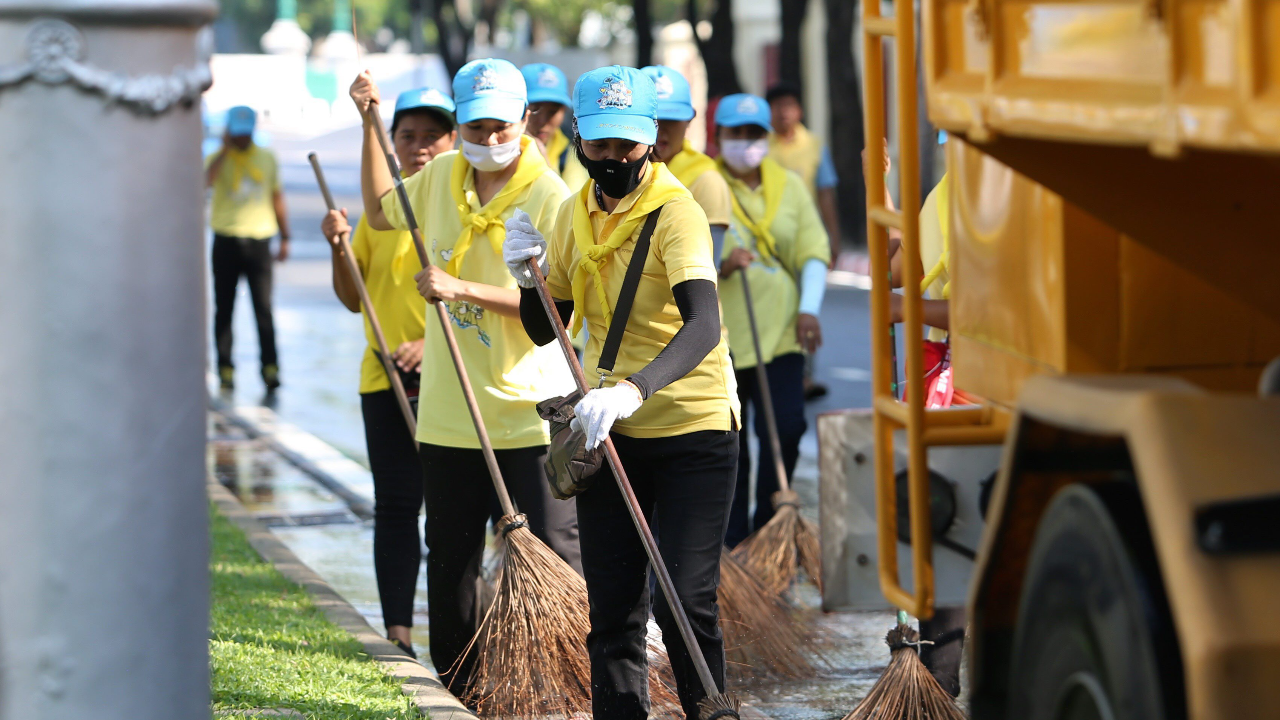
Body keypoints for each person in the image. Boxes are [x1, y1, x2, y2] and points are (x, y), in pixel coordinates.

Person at [504, 65, 741, 720]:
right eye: (600, 146)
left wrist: (634, 390)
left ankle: (711, 712)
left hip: (693, 429)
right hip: (610, 435)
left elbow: (704, 324)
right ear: (579, 139)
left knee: (686, 600)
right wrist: (527, 278)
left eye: (627, 145)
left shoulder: (678, 213)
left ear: (651, 141)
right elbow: (544, 329)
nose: (614, 159)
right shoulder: (570, 213)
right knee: (612, 609)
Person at [350, 58, 581, 694]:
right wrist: (369, 124)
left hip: (531, 413)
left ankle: (552, 689)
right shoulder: (443, 175)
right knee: (450, 564)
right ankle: (462, 692)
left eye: (500, 125)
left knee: (551, 565)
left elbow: (557, 308)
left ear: (526, 120)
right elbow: (377, 213)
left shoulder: (550, 196)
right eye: (474, 126)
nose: (488, 138)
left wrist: (461, 290)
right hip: (452, 417)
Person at [319, 87, 458, 659]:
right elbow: (354, 299)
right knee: (397, 507)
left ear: (453, 140)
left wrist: (431, 344)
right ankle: (398, 633)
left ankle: (464, 630)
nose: (421, 148)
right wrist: (339, 248)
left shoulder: (459, 206)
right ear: (392, 145)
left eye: (433, 136)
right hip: (384, 382)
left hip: (452, 383)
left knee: (454, 515)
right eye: (407, 137)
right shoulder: (382, 214)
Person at [712, 93, 830, 549]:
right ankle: (732, 539)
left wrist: (810, 308)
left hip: (780, 337)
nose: (746, 143)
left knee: (786, 429)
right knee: (729, 446)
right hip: (718, 343)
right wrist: (718, 263)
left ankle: (767, 531)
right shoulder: (705, 184)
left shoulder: (788, 185)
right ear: (719, 137)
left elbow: (813, 251)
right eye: (736, 134)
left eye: (754, 134)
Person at [205, 105, 290, 391]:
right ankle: (225, 367)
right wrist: (225, 151)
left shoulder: (266, 158)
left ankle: (270, 366)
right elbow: (206, 182)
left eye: (245, 134)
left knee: (263, 308)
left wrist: (285, 236)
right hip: (226, 239)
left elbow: (276, 196)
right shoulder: (217, 159)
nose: (242, 139)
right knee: (224, 308)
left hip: (259, 241)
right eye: (236, 134)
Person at [765, 84, 837, 401]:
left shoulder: (815, 146)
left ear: (800, 110)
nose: (784, 112)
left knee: (806, 307)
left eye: (789, 105)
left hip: (803, 239)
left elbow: (825, 193)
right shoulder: (760, 145)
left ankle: (805, 375)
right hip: (767, 241)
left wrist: (832, 237)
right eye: (777, 106)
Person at [640, 64, 732, 260]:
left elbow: (708, 268)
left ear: (690, 119)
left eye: (670, 119)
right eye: (651, 118)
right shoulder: (616, 172)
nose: (659, 129)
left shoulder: (706, 181)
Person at [521, 62, 589, 192]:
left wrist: (544, 167)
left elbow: (571, 206)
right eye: (535, 109)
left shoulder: (570, 154)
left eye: (552, 112)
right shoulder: (497, 150)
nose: (543, 121)